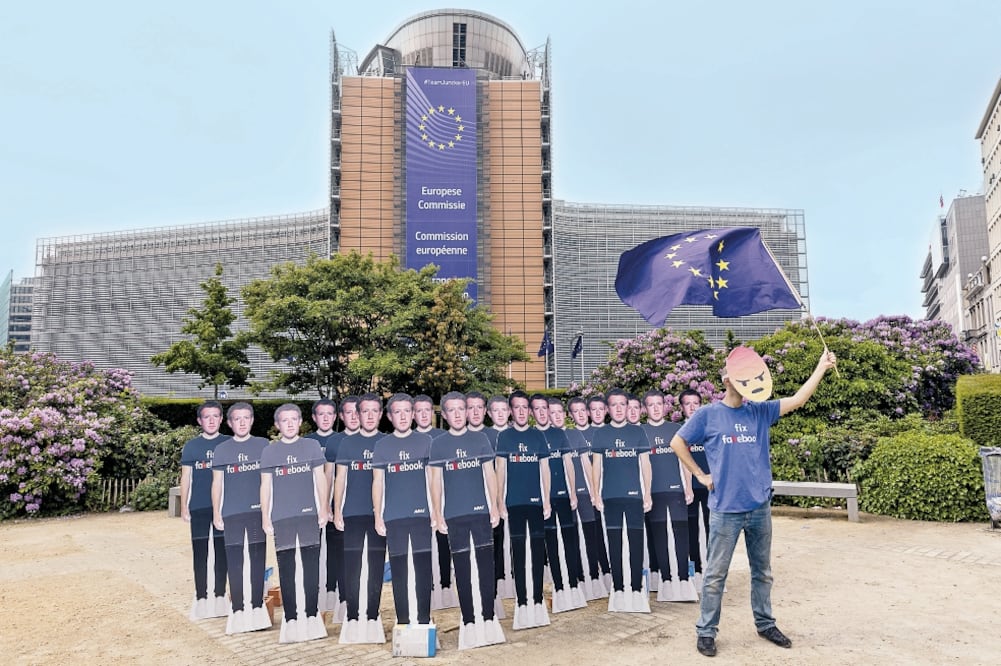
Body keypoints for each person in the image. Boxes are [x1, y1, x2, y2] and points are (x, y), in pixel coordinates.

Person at [671, 346, 837, 658]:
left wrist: (821, 367)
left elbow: (798, 400)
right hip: (725, 511)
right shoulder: (708, 415)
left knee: (762, 571)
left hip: (759, 507)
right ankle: (706, 632)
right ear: (727, 381)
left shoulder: (758, 411)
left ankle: (765, 623)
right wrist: (700, 475)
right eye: (740, 376)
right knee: (715, 575)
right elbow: (677, 442)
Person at [428, 392, 505, 649]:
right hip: (454, 516)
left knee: (485, 567)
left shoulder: (481, 439)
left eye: (462, 409)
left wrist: (494, 506)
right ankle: (470, 620)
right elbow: (435, 482)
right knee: (462, 570)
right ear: (446, 414)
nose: (459, 414)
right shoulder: (438, 444)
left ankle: (488, 617)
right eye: (452, 410)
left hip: (480, 513)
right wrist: (438, 514)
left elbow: (490, 475)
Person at [260, 403, 328, 643]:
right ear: (277, 425)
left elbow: (320, 479)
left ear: (300, 422)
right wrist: (265, 517)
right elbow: (266, 486)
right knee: (287, 570)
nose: (289, 424)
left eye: (293, 419)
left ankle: (311, 616)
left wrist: (324, 509)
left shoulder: (311, 446)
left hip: (309, 516)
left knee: (310, 569)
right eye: (284, 420)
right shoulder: (269, 452)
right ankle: (291, 619)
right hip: (282, 519)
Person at [371, 393, 434, 629]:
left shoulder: (426, 442)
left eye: (407, 411)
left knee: (422, 568)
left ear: (414, 413)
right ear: (389, 416)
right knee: (399, 570)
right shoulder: (382, 446)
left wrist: (436, 513)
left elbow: (433, 480)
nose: (403, 416)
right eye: (397, 412)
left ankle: (424, 619)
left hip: (421, 516)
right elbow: (378, 483)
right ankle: (404, 619)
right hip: (394, 517)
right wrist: (378, 515)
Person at [211, 402, 271, 634]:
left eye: (246, 418)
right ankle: (237, 609)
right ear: (230, 423)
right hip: (232, 514)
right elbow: (217, 484)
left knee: (256, 562)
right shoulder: (222, 450)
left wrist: (268, 513)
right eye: (237, 419)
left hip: (257, 513)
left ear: (253, 420)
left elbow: (269, 483)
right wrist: (217, 512)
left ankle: (256, 608)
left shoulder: (264, 446)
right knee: (235, 564)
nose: (243, 422)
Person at [591, 389, 653, 613]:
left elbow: (645, 465)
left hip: (634, 497)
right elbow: (596, 466)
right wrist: (596, 495)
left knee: (636, 544)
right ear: (608, 408)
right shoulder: (601, 434)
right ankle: (618, 589)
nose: (618, 409)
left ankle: (636, 589)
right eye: (614, 405)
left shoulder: (638, 433)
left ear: (628, 407)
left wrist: (646, 494)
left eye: (622, 405)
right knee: (615, 545)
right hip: (610, 498)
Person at [332, 393, 387, 644]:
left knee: (375, 568)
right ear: (357, 414)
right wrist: (337, 510)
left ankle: (372, 615)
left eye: (375, 411)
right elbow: (339, 480)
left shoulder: (387, 443)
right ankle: (353, 615)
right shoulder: (347, 444)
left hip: (380, 516)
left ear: (381, 413)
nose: (370, 415)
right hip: (352, 514)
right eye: (365, 411)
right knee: (352, 568)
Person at [495, 390, 551, 629]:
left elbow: (545, 471)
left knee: (537, 553)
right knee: (519, 554)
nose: (520, 411)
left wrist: (546, 500)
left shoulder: (538, 437)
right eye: (515, 407)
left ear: (529, 411)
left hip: (536, 503)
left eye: (523, 407)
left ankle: (537, 600)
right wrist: (499, 502)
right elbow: (500, 472)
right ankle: (522, 602)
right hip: (513, 505)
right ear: (510, 410)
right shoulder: (504, 438)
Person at [642, 390, 697, 603]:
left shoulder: (677, 430)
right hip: (653, 494)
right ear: (645, 408)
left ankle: (683, 579)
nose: (656, 408)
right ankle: (665, 581)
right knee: (659, 539)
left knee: (680, 536)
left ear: (665, 406)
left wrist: (689, 487)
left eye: (659, 404)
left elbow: (685, 461)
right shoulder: (641, 432)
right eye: (651, 405)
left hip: (675, 492)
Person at [534, 395, 586, 612]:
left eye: (546, 408)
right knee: (551, 544)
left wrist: (573, 492)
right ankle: (559, 587)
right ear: (532, 413)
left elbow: (569, 465)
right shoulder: (531, 436)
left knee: (569, 541)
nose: (543, 412)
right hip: (542, 499)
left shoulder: (560, 434)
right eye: (538, 409)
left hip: (564, 495)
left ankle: (573, 586)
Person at [180, 400, 229, 620]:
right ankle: (201, 596)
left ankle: (219, 595)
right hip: (199, 507)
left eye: (215, 416)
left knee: (222, 552)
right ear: (200, 420)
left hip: (224, 508)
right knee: (200, 553)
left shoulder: (229, 444)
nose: (211, 420)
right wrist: (184, 506)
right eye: (206, 416)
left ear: (221, 419)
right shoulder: (191, 446)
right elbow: (186, 478)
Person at [565, 397, 609, 599]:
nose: (582, 414)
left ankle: (607, 573)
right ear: (571, 415)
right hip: (584, 494)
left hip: (604, 491)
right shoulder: (569, 436)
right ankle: (587, 577)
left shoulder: (602, 433)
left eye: (584, 410)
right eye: (577, 411)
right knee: (587, 536)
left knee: (603, 535)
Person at [415, 393, 455, 609]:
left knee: (444, 542)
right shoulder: (407, 438)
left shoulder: (442, 437)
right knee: (423, 546)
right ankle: (426, 585)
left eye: (427, 410)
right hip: (419, 500)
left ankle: (446, 586)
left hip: (443, 497)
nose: (423, 414)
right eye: (419, 410)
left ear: (433, 413)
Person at [312, 398, 344, 619]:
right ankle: (313, 594)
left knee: (335, 551)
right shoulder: (306, 442)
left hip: (336, 506)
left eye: (329, 414)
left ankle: (333, 592)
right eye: (321, 414)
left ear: (335, 417)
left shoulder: (343, 441)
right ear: (314, 417)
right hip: (311, 506)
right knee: (312, 552)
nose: (325, 418)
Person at [485, 394, 514, 599]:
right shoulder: (484, 436)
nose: (501, 414)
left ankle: (514, 579)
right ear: (489, 413)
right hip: (493, 495)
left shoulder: (518, 434)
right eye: (496, 410)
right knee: (496, 539)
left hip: (516, 493)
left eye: (504, 410)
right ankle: (495, 583)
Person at [679, 389, 709, 583]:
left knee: (712, 529)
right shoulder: (680, 433)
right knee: (691, 530)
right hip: (690, 488)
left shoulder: (709, 429)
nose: (692, 407)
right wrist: (688, 487)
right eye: (687, 404)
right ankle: (695, 568)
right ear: (681, 408)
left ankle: (712, 568)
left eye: (695, 403)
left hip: (710, 488)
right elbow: (682, 461)